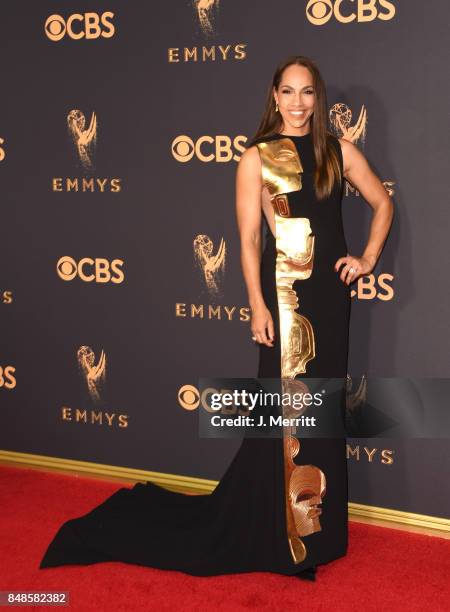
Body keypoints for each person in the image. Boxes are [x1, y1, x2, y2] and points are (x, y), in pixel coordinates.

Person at [39, 55, 393, 581]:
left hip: (330, 301)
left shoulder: (338, 151)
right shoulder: (256, 158)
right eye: (288, 92)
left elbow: (383, 203)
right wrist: (255, 302)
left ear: (318, 100)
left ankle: (319, 529)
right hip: (285, 297)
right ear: (274, 96)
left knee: (322, 408)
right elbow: (249, 238)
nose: (298, 103)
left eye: (308, 93)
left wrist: (365, 259)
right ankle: (281, 529)